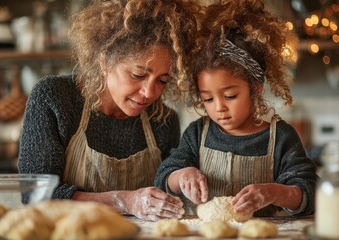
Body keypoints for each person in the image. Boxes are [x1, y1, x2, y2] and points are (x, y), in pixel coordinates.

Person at [18, 0, 202, 221]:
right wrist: (125, 201)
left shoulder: (161, 119)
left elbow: (166, 194)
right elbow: (35, 195)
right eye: (138, 75)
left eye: (162, 80)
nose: (149, 92)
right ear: (105, 61)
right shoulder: (55, 98)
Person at [155, 0, 318, 217]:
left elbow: (310, 192)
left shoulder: (280, 137)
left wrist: (274, 192)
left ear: (255, 88)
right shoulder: (197, 134)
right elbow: (164, 177)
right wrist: (182, 175)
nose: (219, 108)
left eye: (230, 96)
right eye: (208, 99)